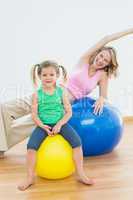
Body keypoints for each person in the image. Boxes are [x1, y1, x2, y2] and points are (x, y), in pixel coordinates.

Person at [0, 28, 133, 158]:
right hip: (48, 92)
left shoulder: (102, 75)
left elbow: (104, 95)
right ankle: (1, 143)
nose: (101, 60)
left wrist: (101, 99)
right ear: (98, 53)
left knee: (27, 126)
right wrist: (129, 31)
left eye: (106, 61)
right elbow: (106, 39)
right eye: (102, 56)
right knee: (4, 108)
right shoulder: (85, 60)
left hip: (61, 106)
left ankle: (1, 148)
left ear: (108, 64)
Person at [17, 61, 95, 191]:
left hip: (61, 123)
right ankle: (30, 177)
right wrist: (42, 125)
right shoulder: (37, 94)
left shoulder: (61, 92)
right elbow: (34, 114)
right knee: (31, 147)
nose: (48, 77)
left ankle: (81, 174)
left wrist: (59, 124)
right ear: (39, 76)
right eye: (44, 75)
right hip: (44, 125)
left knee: (77, 142)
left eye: (51, 74)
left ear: (57, 75)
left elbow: (69, 112)